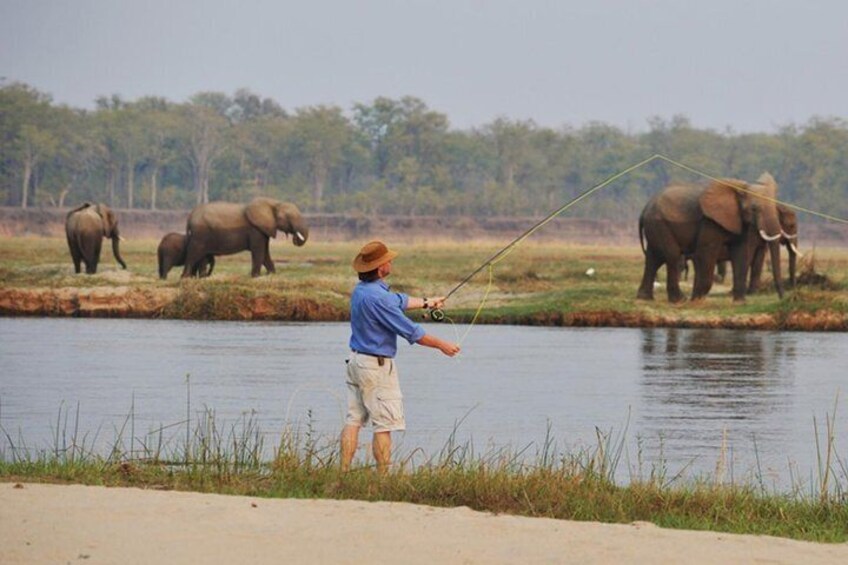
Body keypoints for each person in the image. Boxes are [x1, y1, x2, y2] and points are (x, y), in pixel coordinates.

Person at [341, 240, 461, 473]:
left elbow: (399, 301)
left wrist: (428, 301)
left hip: (356, 361)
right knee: (384, 424)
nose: (390, 262)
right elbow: (412, 332)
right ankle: (383, 479)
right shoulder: (379, 299)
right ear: (379, 268)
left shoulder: (362, 291)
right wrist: (443, 346)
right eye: (387, 260)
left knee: (353, 420)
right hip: (375, 367)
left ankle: (343, 473)